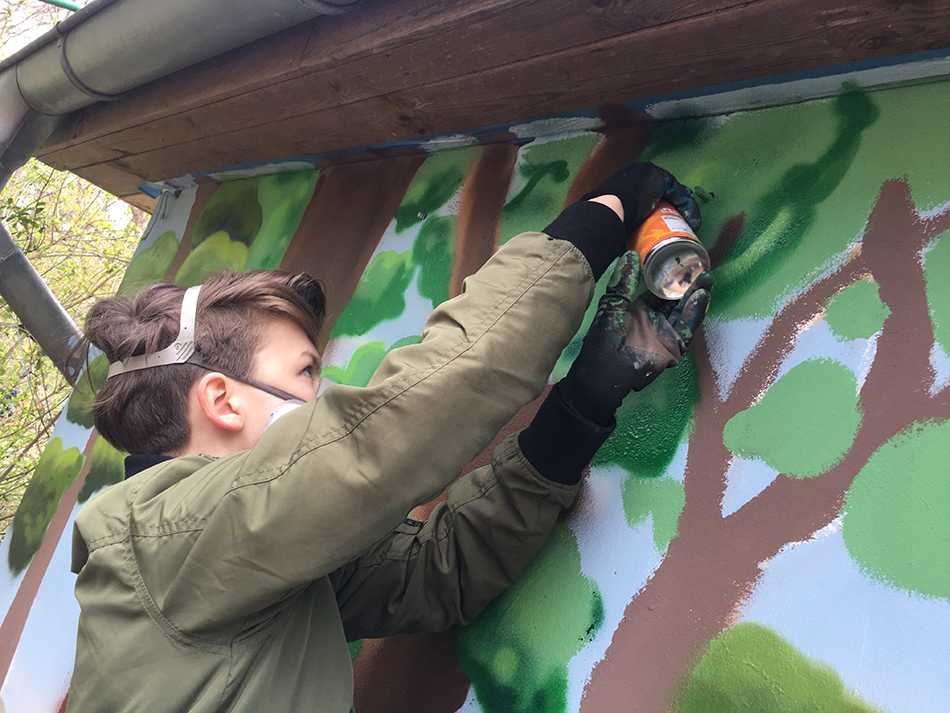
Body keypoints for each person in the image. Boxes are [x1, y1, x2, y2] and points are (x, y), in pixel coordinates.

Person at [66, 163, 712, 712]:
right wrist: (603, 214)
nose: (320, 396)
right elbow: (398, 426)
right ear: (222, 400)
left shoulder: (248, 563)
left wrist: (581, 404)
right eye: (305, 372)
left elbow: (442, 568)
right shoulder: (165, 537)